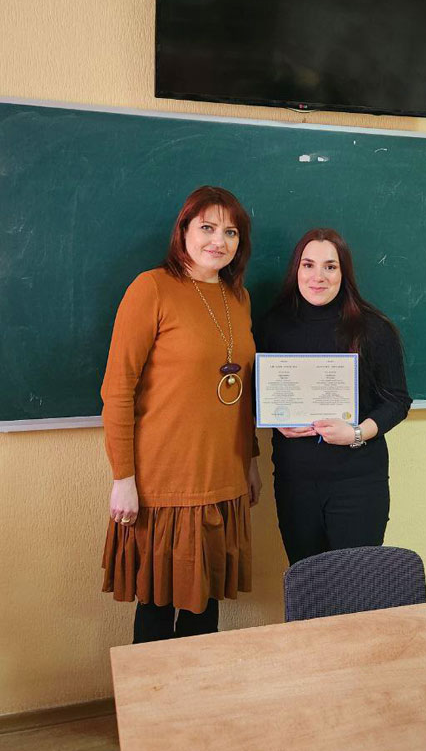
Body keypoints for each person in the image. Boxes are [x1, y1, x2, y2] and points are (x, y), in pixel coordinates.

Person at [101, 186, 262, 643]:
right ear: (184, 231)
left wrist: (250, 460)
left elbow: (243, 392)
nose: (219, 241)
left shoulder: (239, 297)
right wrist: (123, 477)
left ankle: (198, 693)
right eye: (207, 228)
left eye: (231, 232)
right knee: (156, 609)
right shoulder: (151, 288)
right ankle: (150, 694)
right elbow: (117, 389)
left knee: (204, 613)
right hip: (164, 483)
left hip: (223, 476)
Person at [258, 228, 412, 565]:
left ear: (344, 273)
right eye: (308, 265)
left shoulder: (373, 328)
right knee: (308, 583)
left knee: (355, 584)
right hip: (295, 485)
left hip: (358, 484)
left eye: (330, 266)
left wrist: (355, 433)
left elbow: (398, 401)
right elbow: (256, 394)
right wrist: (275, 420)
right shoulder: (272, 327)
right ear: (296, 270)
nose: (318, 277)